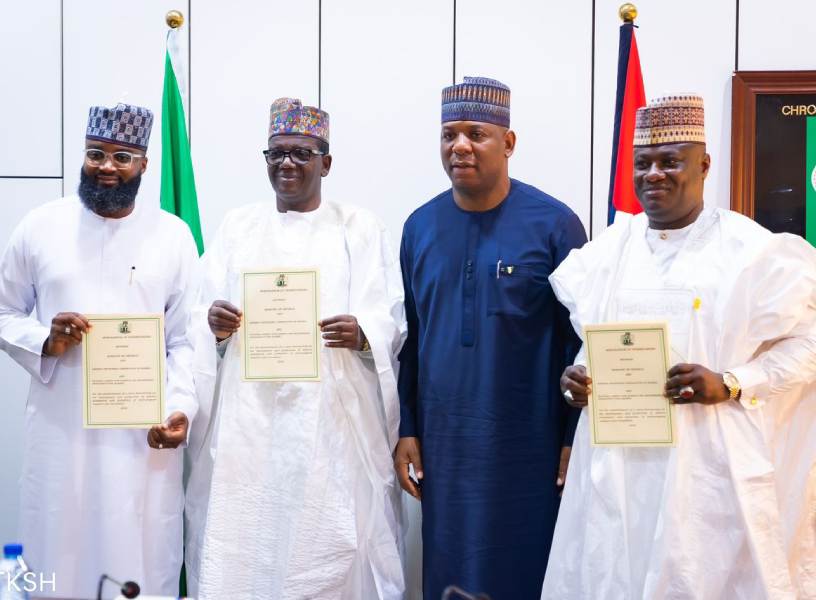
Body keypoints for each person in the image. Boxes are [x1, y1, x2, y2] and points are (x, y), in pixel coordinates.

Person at [542, 94, 816, 599]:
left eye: (670, 162)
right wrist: (576, 379)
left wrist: (732, 382)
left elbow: (808, 347)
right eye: (642, 163)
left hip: (707, 470)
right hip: (617, 470)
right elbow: (599, 343)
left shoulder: (750, 251)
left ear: (704, 165)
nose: (654, 175)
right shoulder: (609, 252)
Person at [184, 98, 406, 599]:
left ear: (326, 162)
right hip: (250, 422)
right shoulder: (238, 226)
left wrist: (363, 333)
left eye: (302, 153)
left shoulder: (358, 226)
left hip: (331, 420)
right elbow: (197, 314)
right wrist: (214, 325)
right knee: (249, 538)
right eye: (277, 153)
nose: (287, 163)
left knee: (327, 540)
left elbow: (390, 314)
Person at [395, 77, 587, 599]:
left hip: (531, 446)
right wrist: (407, 427)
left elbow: (580, 346)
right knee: (449, 572)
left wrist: (573, 438)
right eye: (448, 135)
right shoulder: (419, 227)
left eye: (476, 134)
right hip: (446, 446)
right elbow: (411, 337)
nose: (459, 146)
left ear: (508, 142)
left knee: (527, 571)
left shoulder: (556, 226)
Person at [0, 103, 199, 598]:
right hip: (62, 432)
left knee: (141, 553)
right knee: (59, 550)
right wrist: (45, 340)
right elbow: (4, 312)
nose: (106, 166)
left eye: (122, 157)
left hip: (143, 435)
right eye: (96, 153)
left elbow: (185, 339)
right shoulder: (39, 226)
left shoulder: (172, 236)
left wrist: (179, 408)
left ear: (144, 164)